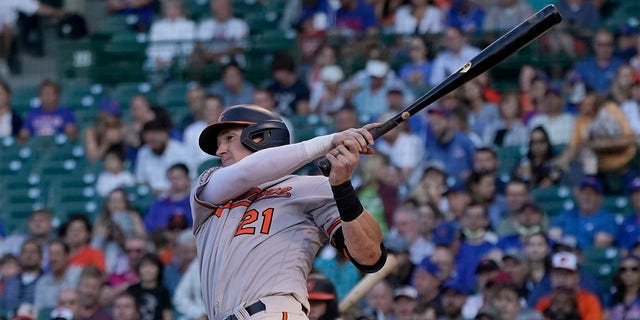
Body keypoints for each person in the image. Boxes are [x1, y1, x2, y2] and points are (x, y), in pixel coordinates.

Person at [191, 104, 386, 318]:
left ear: (260, 136)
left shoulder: (312, 187)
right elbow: (247, 172)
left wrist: (342, 187)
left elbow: (370, 257)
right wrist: (329, 141)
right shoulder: (207, 186)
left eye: (228, 138)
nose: (220, 151)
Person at [549, 176, 617, 249]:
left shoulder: (607, 218)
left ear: (600, 198)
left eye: (591, 194)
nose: (586, 197)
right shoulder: (566, 215)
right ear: (577, 195)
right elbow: (553, 236)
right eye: (584, 193)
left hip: (590, 258)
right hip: (567, 255)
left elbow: (603, 242)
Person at [535, 252, 603, 320]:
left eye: (567, 274)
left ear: (578, 277)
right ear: (551, 277)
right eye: (558, 274)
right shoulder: (543, 303)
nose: (561, 279)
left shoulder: (589, 301)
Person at [135, 118, 189, 195]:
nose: (152, 145)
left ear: (165, 134)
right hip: (151, 197)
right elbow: (140, 181)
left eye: (155, 140)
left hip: (176, 195)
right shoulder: (143, 152)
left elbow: (189, 180)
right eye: (150, 142)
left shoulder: (180, 150)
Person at [191, 0, 248, 68]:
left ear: (230, 8)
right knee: (195, 59)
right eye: (218, 7)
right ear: (213, 9)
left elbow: (240, 48)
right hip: (208, 60)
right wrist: (208, 55)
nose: (221, 10)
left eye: (224, 7)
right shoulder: (205, 25)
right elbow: (199, 45)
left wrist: (217, 55)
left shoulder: (239, 24)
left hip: (232, 60)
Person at [32, 240, 82, 314]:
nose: (53, 259)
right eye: (51, 254)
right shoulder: (42, 282)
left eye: (57, 254)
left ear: (67, 256)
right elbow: (38, 311)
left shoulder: (79, 275)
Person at [144, 163, 192, 233]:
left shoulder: (194, 203)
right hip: (162, 240)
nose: (175, 181)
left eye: (178, 178)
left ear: (188, 179)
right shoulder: (159, 204)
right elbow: (148, 225)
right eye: (172, 178)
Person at [0, 239, 43, 312]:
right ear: (19, 256)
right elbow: (2, 308)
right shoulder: (10, 281)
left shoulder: (46, 281)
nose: (29, 255)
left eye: (33, 252)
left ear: (41, 257)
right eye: (25, 252)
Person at [126, 253, 172, 320]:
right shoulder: (132, 290)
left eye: (152, 266)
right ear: (139, 269)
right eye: (144, 266)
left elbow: (167, 316)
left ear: (159, 269)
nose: (148, 270)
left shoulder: (163, 292)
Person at [266, 51, 311, 116]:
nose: (277, 76)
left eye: (281, 72)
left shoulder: (301, 88)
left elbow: (302, 114)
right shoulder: (272, 88)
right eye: (276, 73)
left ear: (288, 71)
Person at [84, 98, 126, 163]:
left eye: (117, 115)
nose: (115, 118)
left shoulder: (123, 128)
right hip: (102, 165)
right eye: (112, 115)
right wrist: (106, 143)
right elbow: (92, 157)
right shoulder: (92, 131)